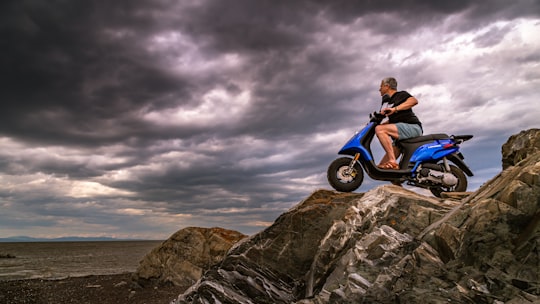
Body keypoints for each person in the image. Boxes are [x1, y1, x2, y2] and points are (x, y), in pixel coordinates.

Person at [375, 77, 422, 169]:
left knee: (380, 130)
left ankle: (392, 161)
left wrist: (395, 109)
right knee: (383, 168)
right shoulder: (388, 102)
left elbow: (414, 101)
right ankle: (397, 182)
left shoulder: (400, 95)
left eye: (381, 86)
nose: (379, 89)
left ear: (387, 86)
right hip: (399, 140)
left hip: (413, 127)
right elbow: (394, 120)